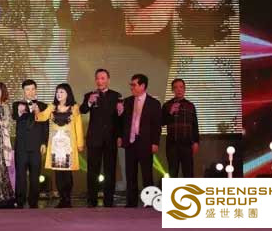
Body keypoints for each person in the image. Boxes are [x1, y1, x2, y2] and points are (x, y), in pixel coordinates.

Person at [126, 0, 240, 134]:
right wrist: (127, 1)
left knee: (223, 134)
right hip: (185, 82)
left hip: (225, 88)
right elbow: (147, 23)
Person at [35, 83, 84, 208]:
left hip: (68, 145)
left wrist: (80, 144)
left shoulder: (74, 108)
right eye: (57, 92)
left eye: (61, 92)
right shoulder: (52, 107)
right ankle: (62, 198)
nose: (58, 94)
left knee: (67, 173)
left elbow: (78, 126)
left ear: (68, 94)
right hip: (56, 146)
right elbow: (41, 117)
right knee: (58, 172)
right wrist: (36, 110)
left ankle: (67, 198)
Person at [79, 68, 123, 207]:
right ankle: (91, 200)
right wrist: (89, 102)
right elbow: (82, 110)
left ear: (108, 80)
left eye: (103, 78)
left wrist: (120, 135)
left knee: (110, 170)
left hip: (110, 138)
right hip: (94, 139)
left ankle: (108, 200)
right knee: (92, 170)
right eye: (97, 78)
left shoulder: (116, 96)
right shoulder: (90, 95)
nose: (100, 81)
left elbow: (119, 119)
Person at [118, 74, 162, 208]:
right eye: (131, 85)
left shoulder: (154, 103)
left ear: (142, 86)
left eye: (134, 85)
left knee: (147, 174)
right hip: (130, 142)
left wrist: (155, 142)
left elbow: (157, 125)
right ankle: (131, 202)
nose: (131, 87)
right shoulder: (127, 101)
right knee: (130, 174)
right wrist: (120, 136)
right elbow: (121, 122)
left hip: (146, 143)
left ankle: (149, 202)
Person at [12, 79, 48, 209]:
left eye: (32, 89)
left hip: (36, 145)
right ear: (23, 91)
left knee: (35, 175)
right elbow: (15, 116)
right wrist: (21, 111)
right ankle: (20, 201)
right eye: (27, 89)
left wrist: (44, 142)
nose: (30, 92)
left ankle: (34, 201)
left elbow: (45, 126)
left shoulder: (43, 106)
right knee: (20, 175)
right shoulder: (17, 104)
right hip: (21, 146)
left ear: (36, 90)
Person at [162, 78, 199, 178]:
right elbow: (162, 122)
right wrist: (170, 112)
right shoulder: (167, 105)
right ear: (172, 90)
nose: (179, 90)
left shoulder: (190, 106)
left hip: (187, 144)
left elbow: (195, 125)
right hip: (172, 145)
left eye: (181, 87)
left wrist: (196, 142)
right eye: (176, 87)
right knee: (173, 172)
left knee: (188, 173)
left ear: (184, 89)